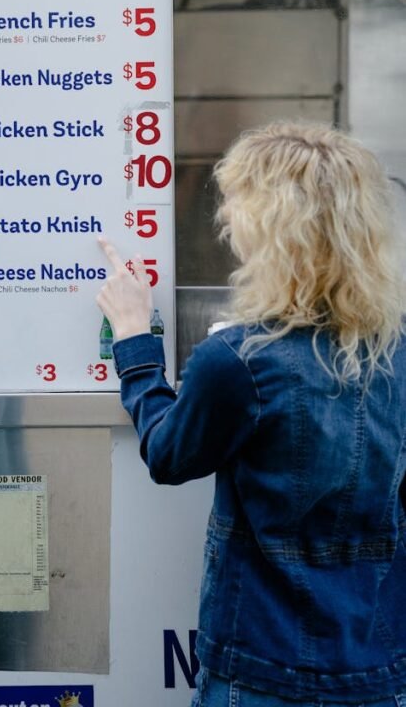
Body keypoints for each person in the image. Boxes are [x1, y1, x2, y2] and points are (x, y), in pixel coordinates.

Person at [97, 122, 406, 707]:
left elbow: (167, 455)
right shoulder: (397, 352)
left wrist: (135, 340)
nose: (226, 219)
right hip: (378, 668)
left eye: (238, 203)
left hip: (260, 669)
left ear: (273, 229)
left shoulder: (237, 361)